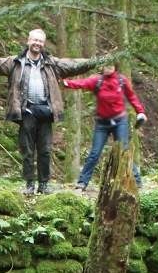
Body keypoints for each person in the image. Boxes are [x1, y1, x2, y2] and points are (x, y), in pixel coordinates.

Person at [0, 29, 99, 195]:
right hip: (26, 111)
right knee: (27, 150)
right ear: (28, 41)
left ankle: (44, 184)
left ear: (43, 44)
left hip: (45, 111)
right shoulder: (15, 63)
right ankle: (29, 184)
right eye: (35, 40)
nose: (37, 43)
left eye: (40, 41)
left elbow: (74, 64)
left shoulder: (52, 64)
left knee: (44, 150)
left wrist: (98, 61)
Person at [62, 63, 147, 191]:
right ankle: (82, 182)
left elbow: (131, 97)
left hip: (120, 121)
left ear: (115, 67)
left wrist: (140, 111)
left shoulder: (121, 80)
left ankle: (137, 181)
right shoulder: (97, 80)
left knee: (123, 150)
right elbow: (81, 83)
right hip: (102, 123)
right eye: (105, 66)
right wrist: (65, 83)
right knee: (95, 153)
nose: (108, 68)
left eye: (110, 66)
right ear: (102, 67)